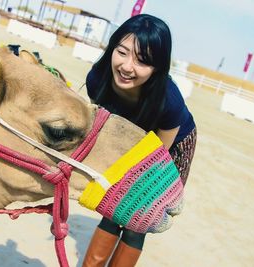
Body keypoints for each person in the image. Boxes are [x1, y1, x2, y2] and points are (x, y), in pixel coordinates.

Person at [82, 14, 197, 267]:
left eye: (142, 61)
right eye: (121, 52)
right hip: (125, 134)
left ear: (157, 68)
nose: (127, 66)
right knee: (113, 208)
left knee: (139, 213)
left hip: (168, 148)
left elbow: (152, 160)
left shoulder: (170, 102)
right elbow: (102, 131)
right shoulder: (97, 80)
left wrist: (128, 187)